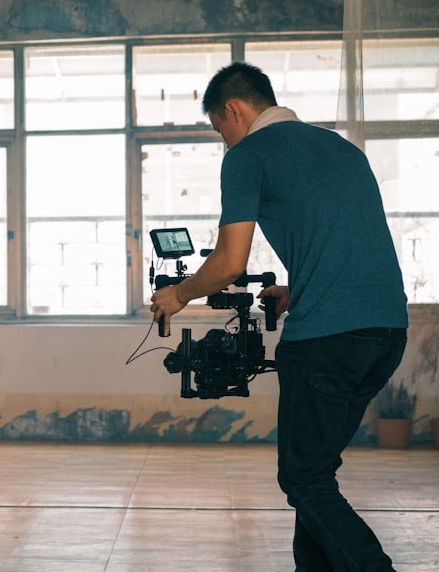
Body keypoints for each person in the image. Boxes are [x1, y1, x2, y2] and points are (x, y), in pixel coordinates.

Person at [149, 62, 408, 571]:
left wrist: (178, 295)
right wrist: (298, 287)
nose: (223, 141)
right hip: (386, 332)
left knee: (303, 480)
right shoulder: (342, 149)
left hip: (327, 340)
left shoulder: (248, 156)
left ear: (233, 109)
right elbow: (351, 245)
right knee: (315, 474)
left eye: (219, 129)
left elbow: (229, 262)